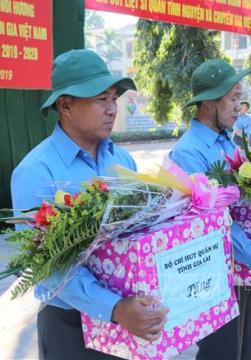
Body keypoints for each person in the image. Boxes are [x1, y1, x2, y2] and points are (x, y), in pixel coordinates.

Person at [10, 49, 169, 359]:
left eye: (114, 99)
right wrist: (114, 308)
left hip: (127, 318)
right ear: (65, 104)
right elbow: (48, 267)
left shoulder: (121, 160)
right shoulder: (36, 173)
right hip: (71, 328)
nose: (112, 109)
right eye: (100, 99)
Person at [169, 59, 251, 360]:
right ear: (210, 101)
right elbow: (214, 222)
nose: (240, 106)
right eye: (234, 98)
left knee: (242, 349)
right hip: (214, 274)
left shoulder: (231, 140)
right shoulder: (189, 152)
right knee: (221, 352)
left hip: (242, 267)